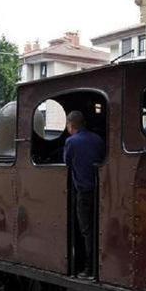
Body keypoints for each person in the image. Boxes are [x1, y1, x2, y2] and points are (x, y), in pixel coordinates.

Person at [63, 110, 105, 279]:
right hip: (100, 191)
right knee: (96, 229)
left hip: (83, 192)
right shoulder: (98, 139)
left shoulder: (71, 142)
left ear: (70, 125)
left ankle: (89, 269)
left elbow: (66, 163)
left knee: (86, 231)